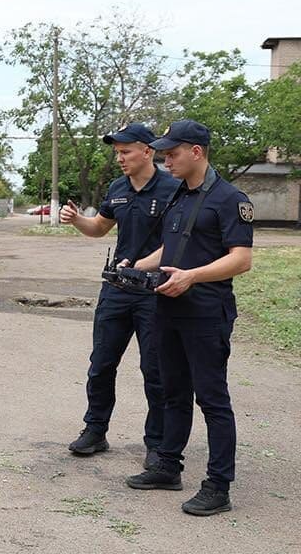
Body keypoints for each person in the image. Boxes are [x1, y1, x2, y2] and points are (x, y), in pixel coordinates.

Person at [122, 120, 253, 516]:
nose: (166, 161)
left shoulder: (230, 199)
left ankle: (219, 485)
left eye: (172, 153)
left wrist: (192, 276)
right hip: (168, 309)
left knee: (212, 399)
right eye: (164, 154)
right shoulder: (179, 195)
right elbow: (170, 248)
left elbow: (241, 259)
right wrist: (135, 266)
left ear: (196, 152)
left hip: (206, 314)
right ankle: (167, 466)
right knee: (172, 392)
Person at [61, 123, 179, 469]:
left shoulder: (174, 188)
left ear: (148, 151)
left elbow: (179, 240)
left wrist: (144, 266)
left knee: (155, 370)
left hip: (154, 291)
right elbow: (100, 227)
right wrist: (76, 220)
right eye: (117, 153)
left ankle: (157, 444)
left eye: (125, 152)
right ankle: (95, 430)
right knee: (101, 364)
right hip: (117, 290)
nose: (120, 158)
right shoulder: (117, 188)